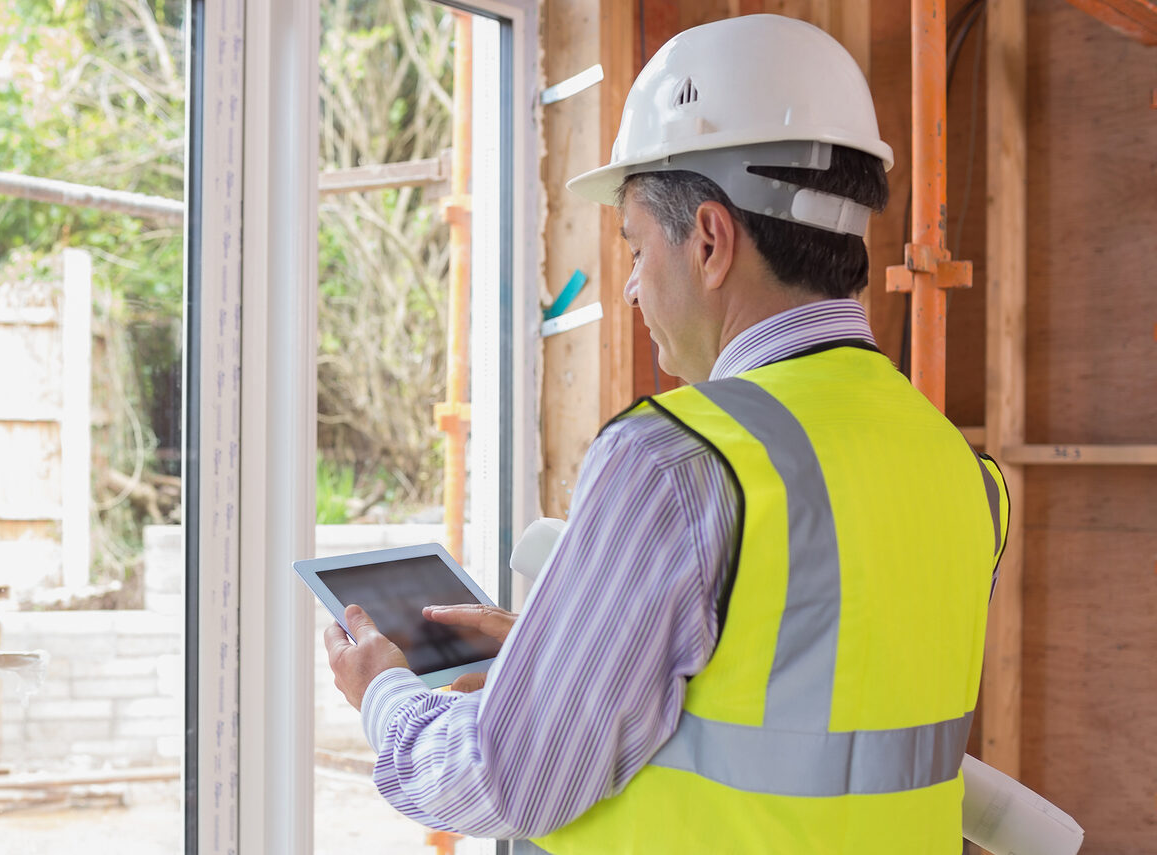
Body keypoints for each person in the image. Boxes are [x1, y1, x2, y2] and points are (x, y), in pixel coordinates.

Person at [324, 14, 1008, 854]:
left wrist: (385, 694)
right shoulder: (958, 468)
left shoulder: (679, 458)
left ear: (712, 240)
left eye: (637, 248)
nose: (636, 289)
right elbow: (814, 711)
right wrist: (564, 658)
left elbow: (505, 777)